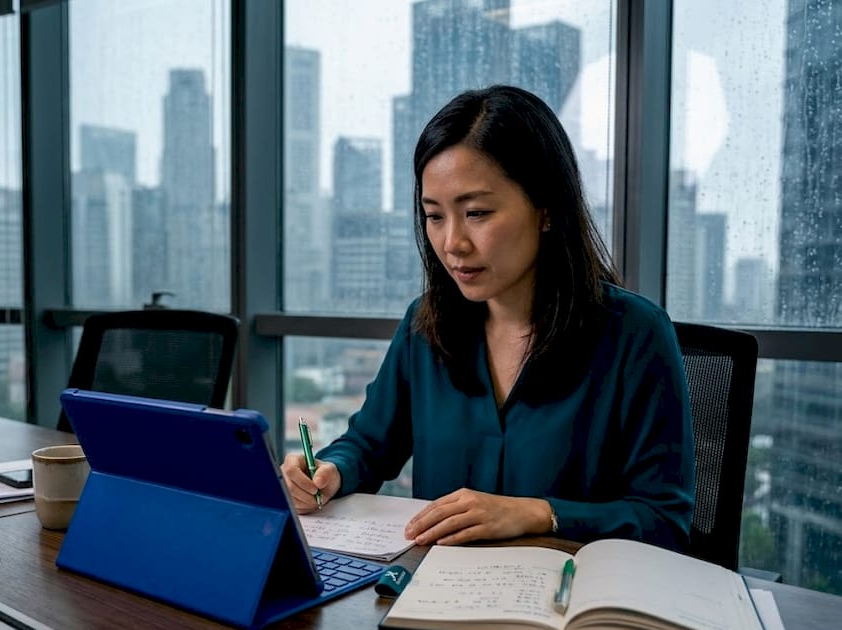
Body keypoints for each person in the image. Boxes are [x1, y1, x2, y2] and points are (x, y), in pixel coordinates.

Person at [281, 85, 695, 551]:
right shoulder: (425, 325)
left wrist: (538, 513)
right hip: (433, 599)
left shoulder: (634, 335)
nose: (452, 242)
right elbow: (369, 444)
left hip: (566, 604)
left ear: (545, 209)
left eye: (476, 212)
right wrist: (331, 469)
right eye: (434, 216)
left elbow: (663, 519)